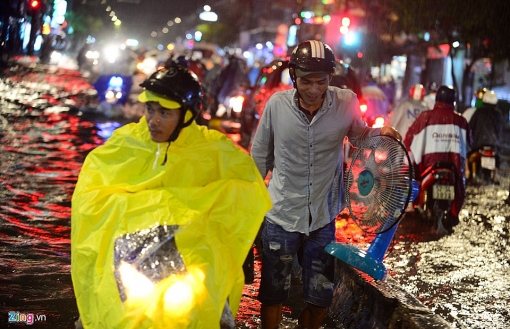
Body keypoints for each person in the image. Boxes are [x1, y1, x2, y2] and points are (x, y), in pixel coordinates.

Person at [71, 63, 272, 329]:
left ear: (187, 115)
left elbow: (246, 196)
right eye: (150, 110)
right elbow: (90, 196)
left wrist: (190, 212)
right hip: (128, 254)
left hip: (191, 261)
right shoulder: (125, 142)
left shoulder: (214, 152)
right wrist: (139, 207)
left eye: (164, 113)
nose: (153, 120)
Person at [250, 40, 401, 329]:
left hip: (323, 217)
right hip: (280, 215)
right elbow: (259, 159)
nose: (313, 89)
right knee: (272, 296)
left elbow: (358, 135)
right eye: (306, 81)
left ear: (330, 79)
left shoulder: (346, 102)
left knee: (320, 298)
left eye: (321, 82)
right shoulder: (276, 106)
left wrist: (382, 132)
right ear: (294, 76)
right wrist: (247, 211)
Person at [404, 85, 472, 229]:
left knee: (408, 173)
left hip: (428, 166)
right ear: (453, 101)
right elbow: (469, 144)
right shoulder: (461, 121)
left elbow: (409, 139)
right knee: (461, 184)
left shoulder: (425, 116)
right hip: (453, 167)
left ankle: (410, 206)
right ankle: (453, 214)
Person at [466, 89, 503, 184]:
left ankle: (472, 174)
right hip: (494, 145)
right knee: (498, 157)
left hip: (478, 144)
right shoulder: (498, 114)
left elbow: (470, 127)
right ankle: (495, 176)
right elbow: (500, 130)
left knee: (469, 156)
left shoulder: (478, 112)